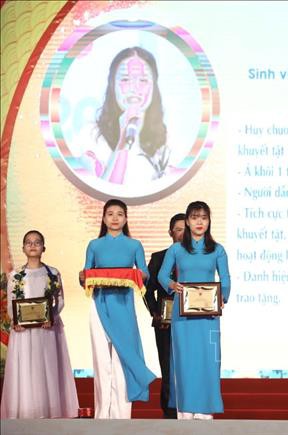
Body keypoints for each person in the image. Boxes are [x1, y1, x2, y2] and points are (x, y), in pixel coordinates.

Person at [80, 199, 156, 419]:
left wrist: (133, 275)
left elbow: (144, 274)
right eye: (110, 214)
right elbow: (86, 275)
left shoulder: (134, 245)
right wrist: (82, 277)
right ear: (104, 218)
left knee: (122, 360)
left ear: (125, 219)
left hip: (124, 306)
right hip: (99, 305)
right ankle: (102, 414)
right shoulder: (94, 245)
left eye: (120, 214)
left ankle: (121, 415)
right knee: (101, 360)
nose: (115, 218)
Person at [158, 201, 230, 420]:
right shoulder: (176, 249)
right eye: (195, 217)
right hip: (182, 315)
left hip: (209, 315)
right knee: (184, 360)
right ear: (187, 222)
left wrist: (223, 297)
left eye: (204, 218)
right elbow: (162, 275)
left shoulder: (217, 249)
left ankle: (205, 410)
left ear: (209, 222)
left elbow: (225, 278)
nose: (200, 222)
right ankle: (185, 409)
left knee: (209, 360)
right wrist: (172, 285)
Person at [1, 230, 79, 418]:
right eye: (28, 242)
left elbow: (60, 300)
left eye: (37, 242)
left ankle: (50, 410)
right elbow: (11, 302)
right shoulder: (16, 276)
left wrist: (51, 316)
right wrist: (16, 321)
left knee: (48, 368)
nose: (33, 245)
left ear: (44, 247)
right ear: (23, 248)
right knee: (26, 368)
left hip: (47, 330)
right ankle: (26, 411)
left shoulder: (52, 273)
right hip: (23, 332)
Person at [82, 46, 171, 184]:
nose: (134, 88)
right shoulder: (92, 136)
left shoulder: (165, 142)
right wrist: (123, 141)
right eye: (125, 79)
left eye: (143, 80)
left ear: (154, 86)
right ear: (112, 85)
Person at [144, 213, 185, 419]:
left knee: (189, 365)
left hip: (190, 322)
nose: (183, 233)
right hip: (165, 322)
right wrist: (155, 312)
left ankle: (189, 408)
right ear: (170, 232)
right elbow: (147, 290)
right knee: (168, 367)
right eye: (178, 229)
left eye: (186, 229)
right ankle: (169, 414)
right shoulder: (159, 258)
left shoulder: (198, 258)